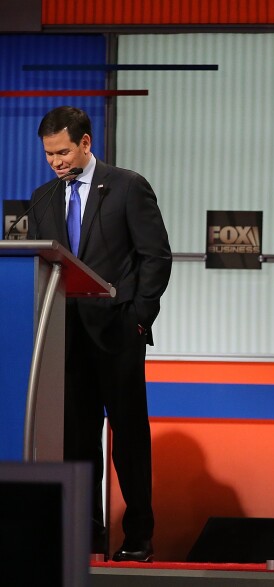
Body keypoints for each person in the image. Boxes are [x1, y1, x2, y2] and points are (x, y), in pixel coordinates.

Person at [27, 106, 172, 562]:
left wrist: (140, 319)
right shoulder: (43, 198)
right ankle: (83, 536)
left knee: (129, 438)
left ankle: (138, 538)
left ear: (86, 143)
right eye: (49, 153)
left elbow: (156, 257)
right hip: (65, 340)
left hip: (118, 334)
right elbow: (39, 267)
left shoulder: (128, 185)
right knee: (76, 442)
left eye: (64, 151)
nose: (56, 161)